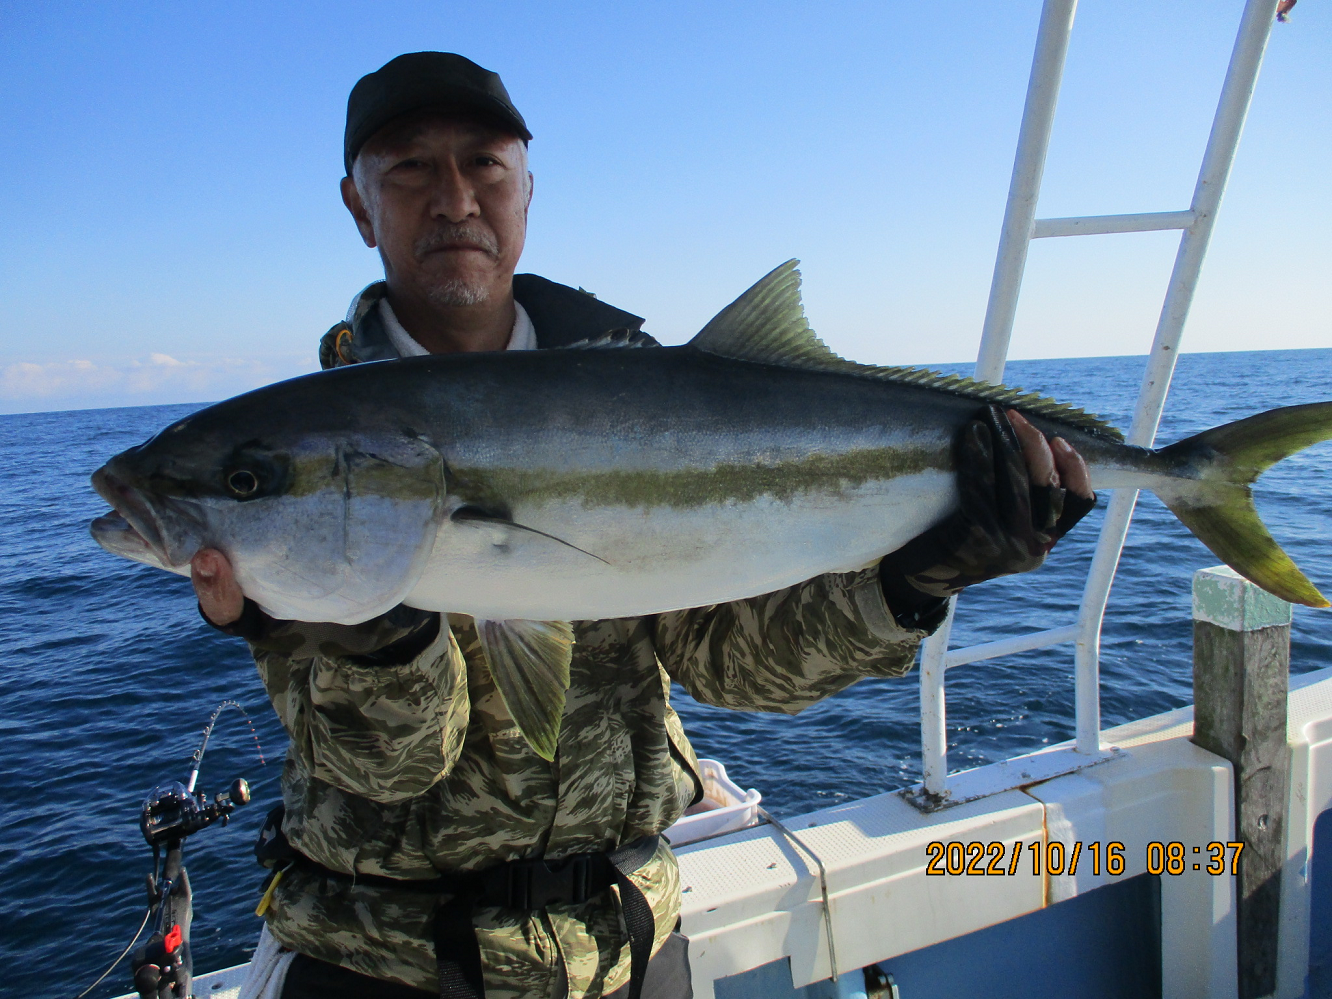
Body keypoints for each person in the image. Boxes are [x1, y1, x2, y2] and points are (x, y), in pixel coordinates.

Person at [195, 52, 1095, 999]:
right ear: (357, 202)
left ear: (527, 186)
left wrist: (910, 586)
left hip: (631, 943)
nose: (455, 197)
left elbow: (728, 661)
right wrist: (369, 632)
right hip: (383, 964)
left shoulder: (648, 389)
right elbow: (392, 765)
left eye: (486, 165)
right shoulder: (296, 466)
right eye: (411, 167)